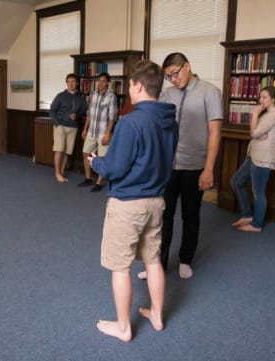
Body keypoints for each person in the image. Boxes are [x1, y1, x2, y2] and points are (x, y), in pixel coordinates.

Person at [90, 60, 178, 342]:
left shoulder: (130, 122)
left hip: (128, 203)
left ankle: (124, 327)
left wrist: (97, 163)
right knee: (153, 261)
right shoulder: (170, 121)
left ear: (138, 86)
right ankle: (157, 314)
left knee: (121, 266)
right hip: (157, 201)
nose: (128, 89)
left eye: (128, 84)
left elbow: (115, 168)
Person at [138, 52, 223, 280]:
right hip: (168, 166)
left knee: (190, 215)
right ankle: (158, 265)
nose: (173, 79)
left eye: (175, 73)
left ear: (187, 66)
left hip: (195, 166)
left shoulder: (210, 92)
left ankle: (186, 259)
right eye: (168, 76)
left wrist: (209, 168)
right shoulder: (167, 93)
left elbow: (215, 133)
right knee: (163, 216)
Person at [230, 86, 275, 232]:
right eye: (260, 97)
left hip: (263, 158)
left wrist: (254, 115)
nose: (260, 100)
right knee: (236, 181)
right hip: (254, 155)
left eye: (264, 97)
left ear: (273, 99)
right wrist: (257, 133)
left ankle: (257, 225)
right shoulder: (267, 114)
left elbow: (253, 132)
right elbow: (255, 133)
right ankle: (247, 215)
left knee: (258, 192)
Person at [78, 72, 118, 192]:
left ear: (108, 83)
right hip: (91, 131)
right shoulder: (92, 94)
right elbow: (89, 114)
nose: (100, 83)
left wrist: (107, 134)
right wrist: (85, 129)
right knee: (85, 153)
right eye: (99, 80)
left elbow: (112, 117)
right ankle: (88, 178)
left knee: (101, 158)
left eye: (103, 81)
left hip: (103, 133)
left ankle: (99, 183)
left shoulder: (112, 97)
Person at [49, 73, 87, 183]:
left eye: (73, 81)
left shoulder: (81, 97)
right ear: (66, 83)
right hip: (60, 126)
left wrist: (77, 115)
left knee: (66, 152)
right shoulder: (60, 96)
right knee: (59, 150)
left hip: (73, 127)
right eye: (68, 81)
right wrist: (57, 124)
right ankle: (57, 174)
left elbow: (83, 111)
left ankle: (61, 172)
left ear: (77, 83)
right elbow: (52, 111)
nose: (70, 83)